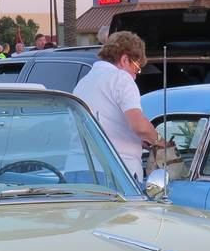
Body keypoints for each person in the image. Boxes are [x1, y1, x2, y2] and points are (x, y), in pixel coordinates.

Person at [68, 30, 158, 183]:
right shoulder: (121, 78)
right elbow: (139, 126)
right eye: (136, 69)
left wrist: (133, 140)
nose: (135, 76)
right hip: (114, 171)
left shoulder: (84, 81)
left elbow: (101, 125)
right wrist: (160, 141)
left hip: (76, 168)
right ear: (124, 59)